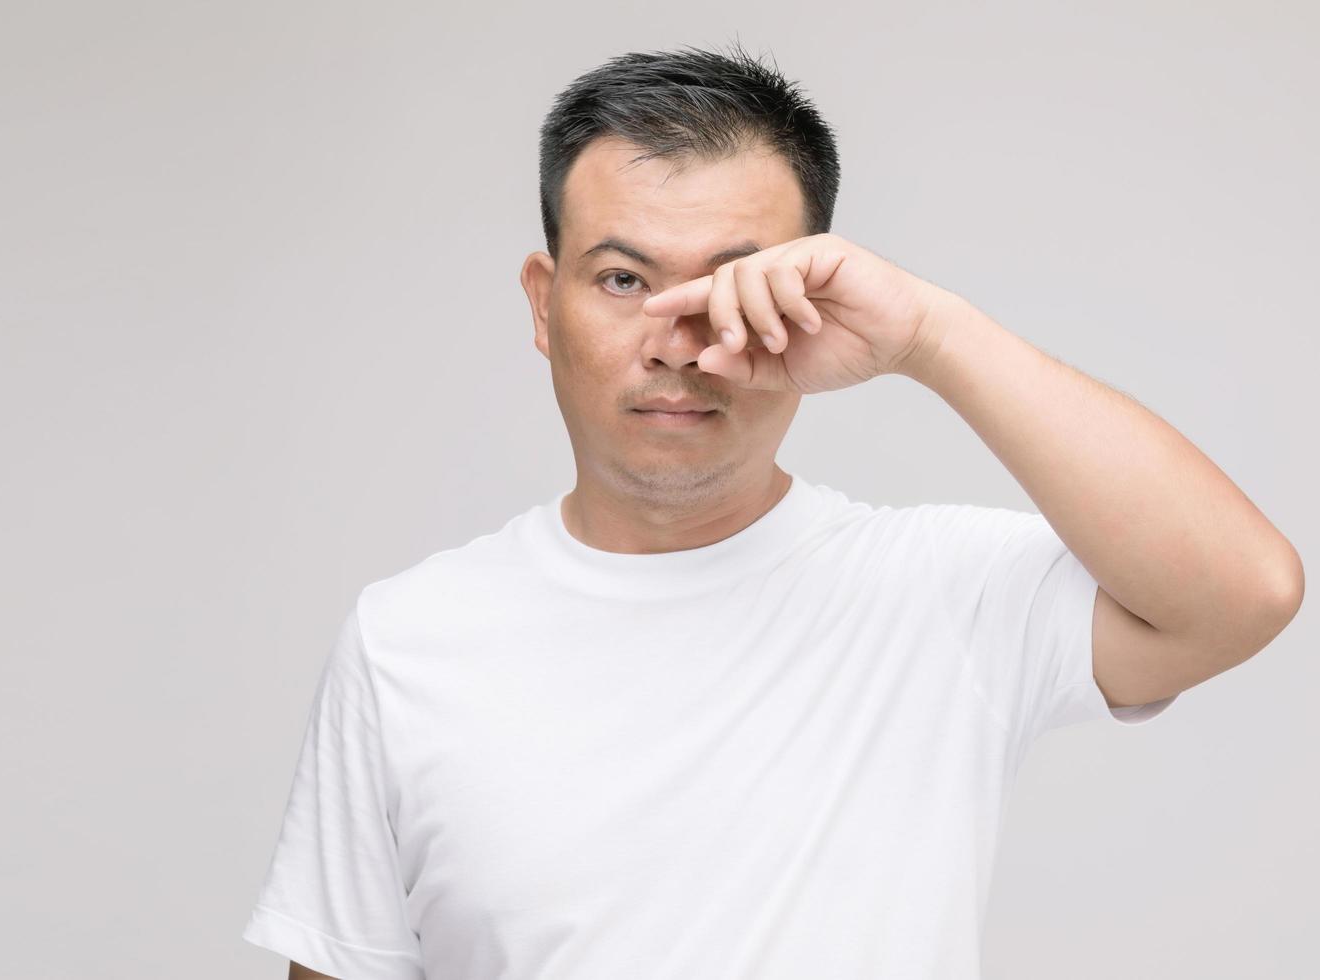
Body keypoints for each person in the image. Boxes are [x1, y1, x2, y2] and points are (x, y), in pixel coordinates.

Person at [240, 41, 1304, 980]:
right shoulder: (408, 640)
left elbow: (1244, 593)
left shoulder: (937, 591)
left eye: (735, 286)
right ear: (541, 300)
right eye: (620, 278)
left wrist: (929, 333)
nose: (675, 337)